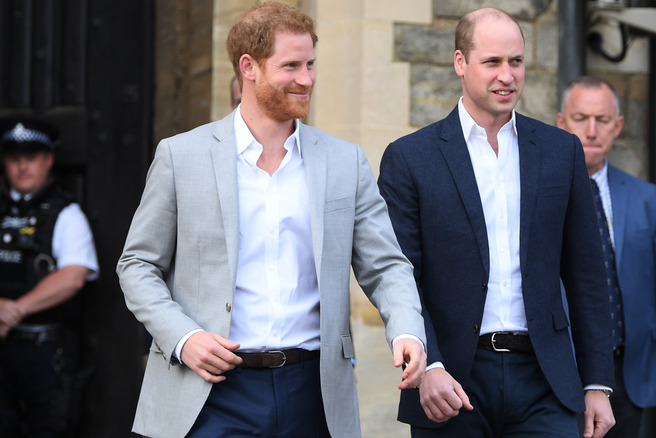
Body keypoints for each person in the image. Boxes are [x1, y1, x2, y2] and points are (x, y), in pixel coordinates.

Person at [116, 2, 426, 437]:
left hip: (313, 393)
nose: (307, 79)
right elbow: (137, 265)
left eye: (311, 64)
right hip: (208, 394)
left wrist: (408, 331)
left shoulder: (344, 161)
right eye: (291, 66)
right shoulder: (180, 156)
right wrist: (185, 339)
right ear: (249, 67)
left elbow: (386, 265)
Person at [378, 7, 615, 438]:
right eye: (492, 62)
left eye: (516, 62)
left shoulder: (561, 152)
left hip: (546, 378)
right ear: (460, 63)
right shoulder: (411, 158)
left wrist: (597, 383)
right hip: (450, 380)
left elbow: (588, 275)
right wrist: (428, 365)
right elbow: (399, 275)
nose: (507, 75)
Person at [556, 76, 656, 437]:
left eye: (603, 119)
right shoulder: (540, 194)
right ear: (561, 122)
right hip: (560, 373)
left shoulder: (646, 199)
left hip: (628, 378)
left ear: (619, 126)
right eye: (581, 118)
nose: (592, 130)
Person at [0, 116, 100, 437]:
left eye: (31, 158)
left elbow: (73, 275)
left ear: (48, 160)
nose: (22, 167)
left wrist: (14, 310)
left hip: (43, 352)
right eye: (15, 159)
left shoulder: (65, 213)